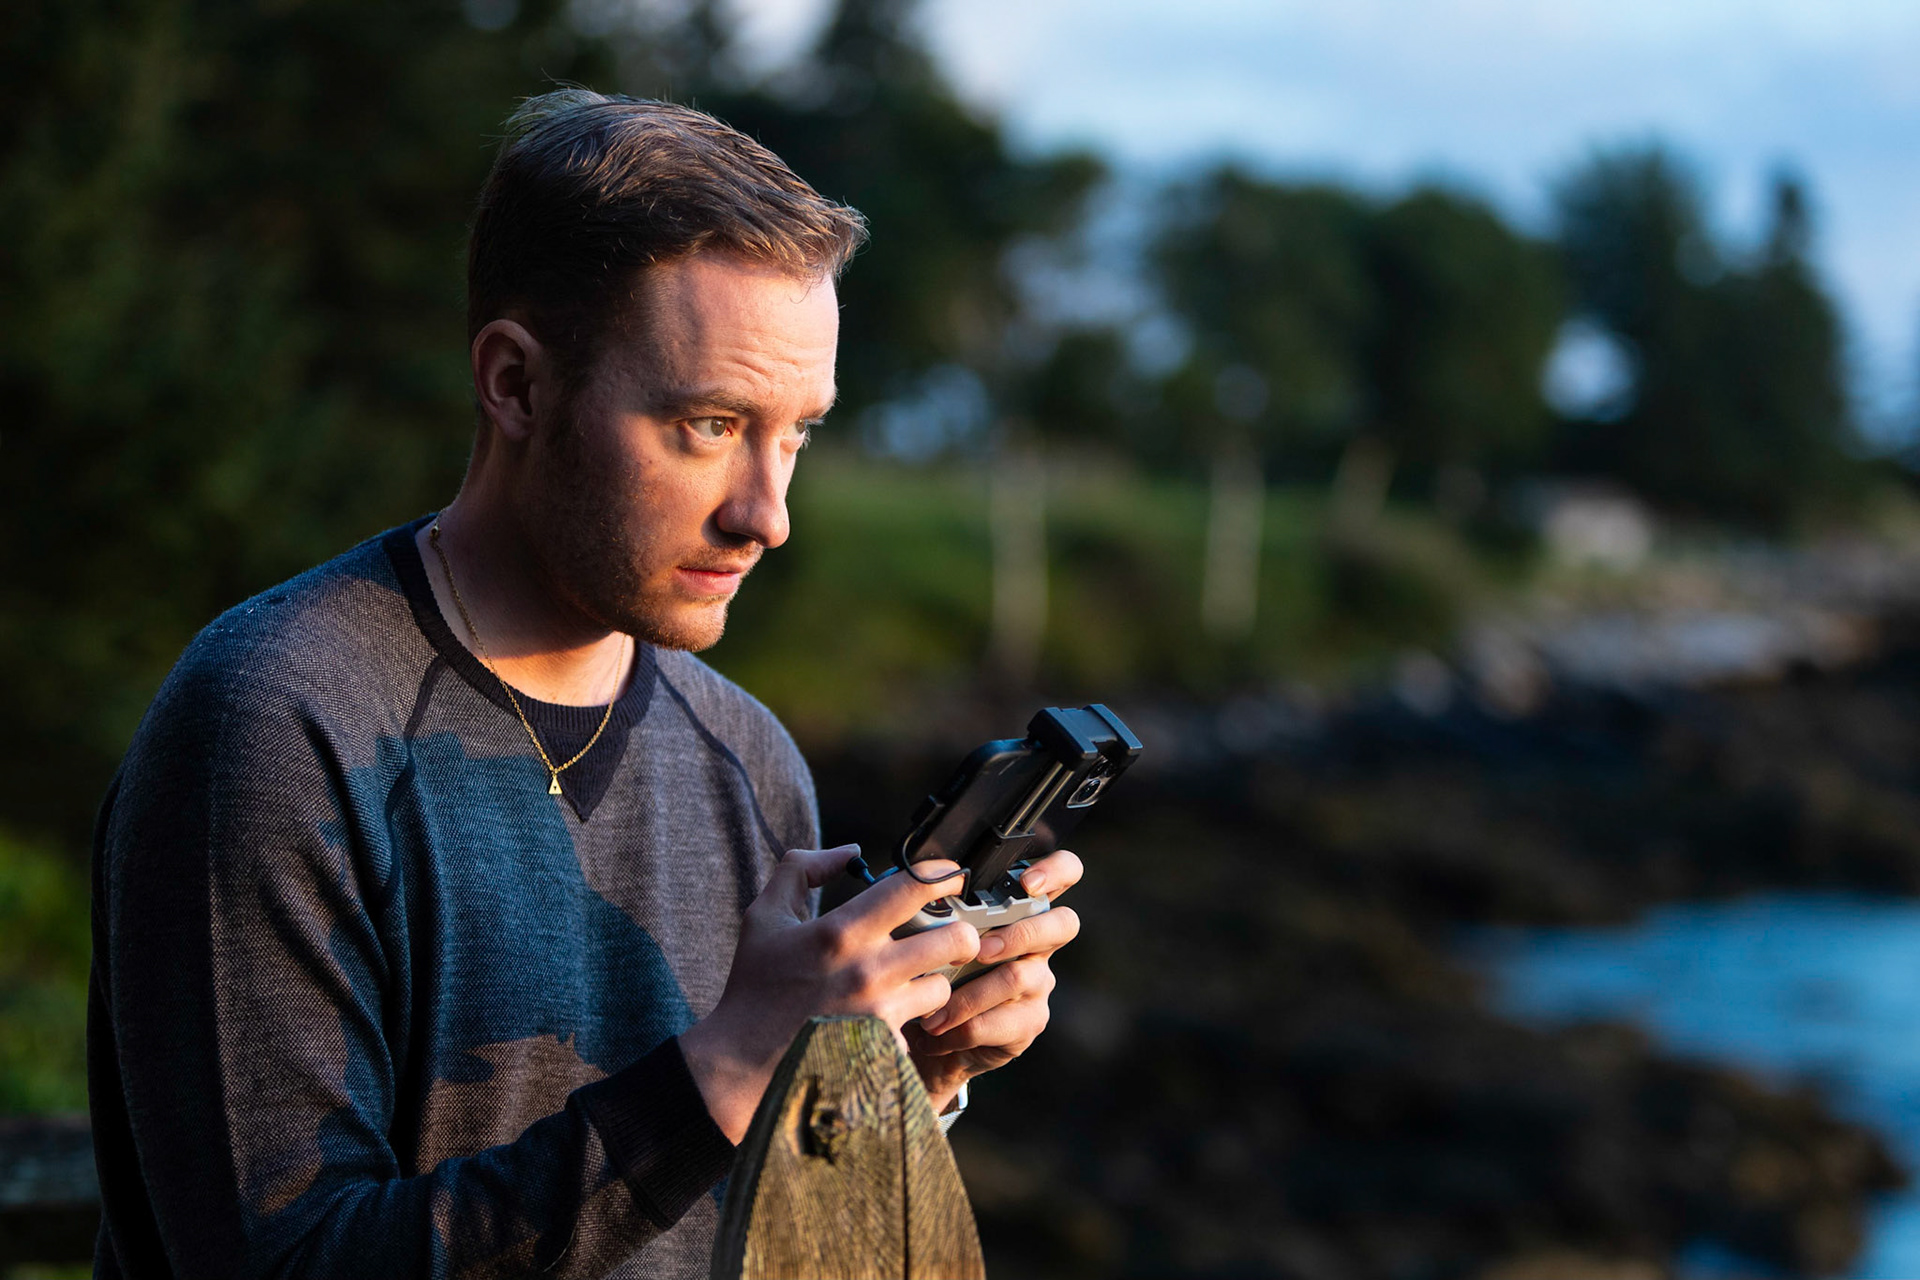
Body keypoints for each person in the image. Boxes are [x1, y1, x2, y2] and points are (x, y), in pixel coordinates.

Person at [87, 89, 1083, 1279]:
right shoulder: (275, 723)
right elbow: (273, 1263)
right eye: (709, 424)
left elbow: (747, 1218)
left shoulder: (748, 756)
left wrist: (900, 1076)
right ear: (515, 383)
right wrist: (723, 1068)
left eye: (796, 433)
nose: (766, 514)